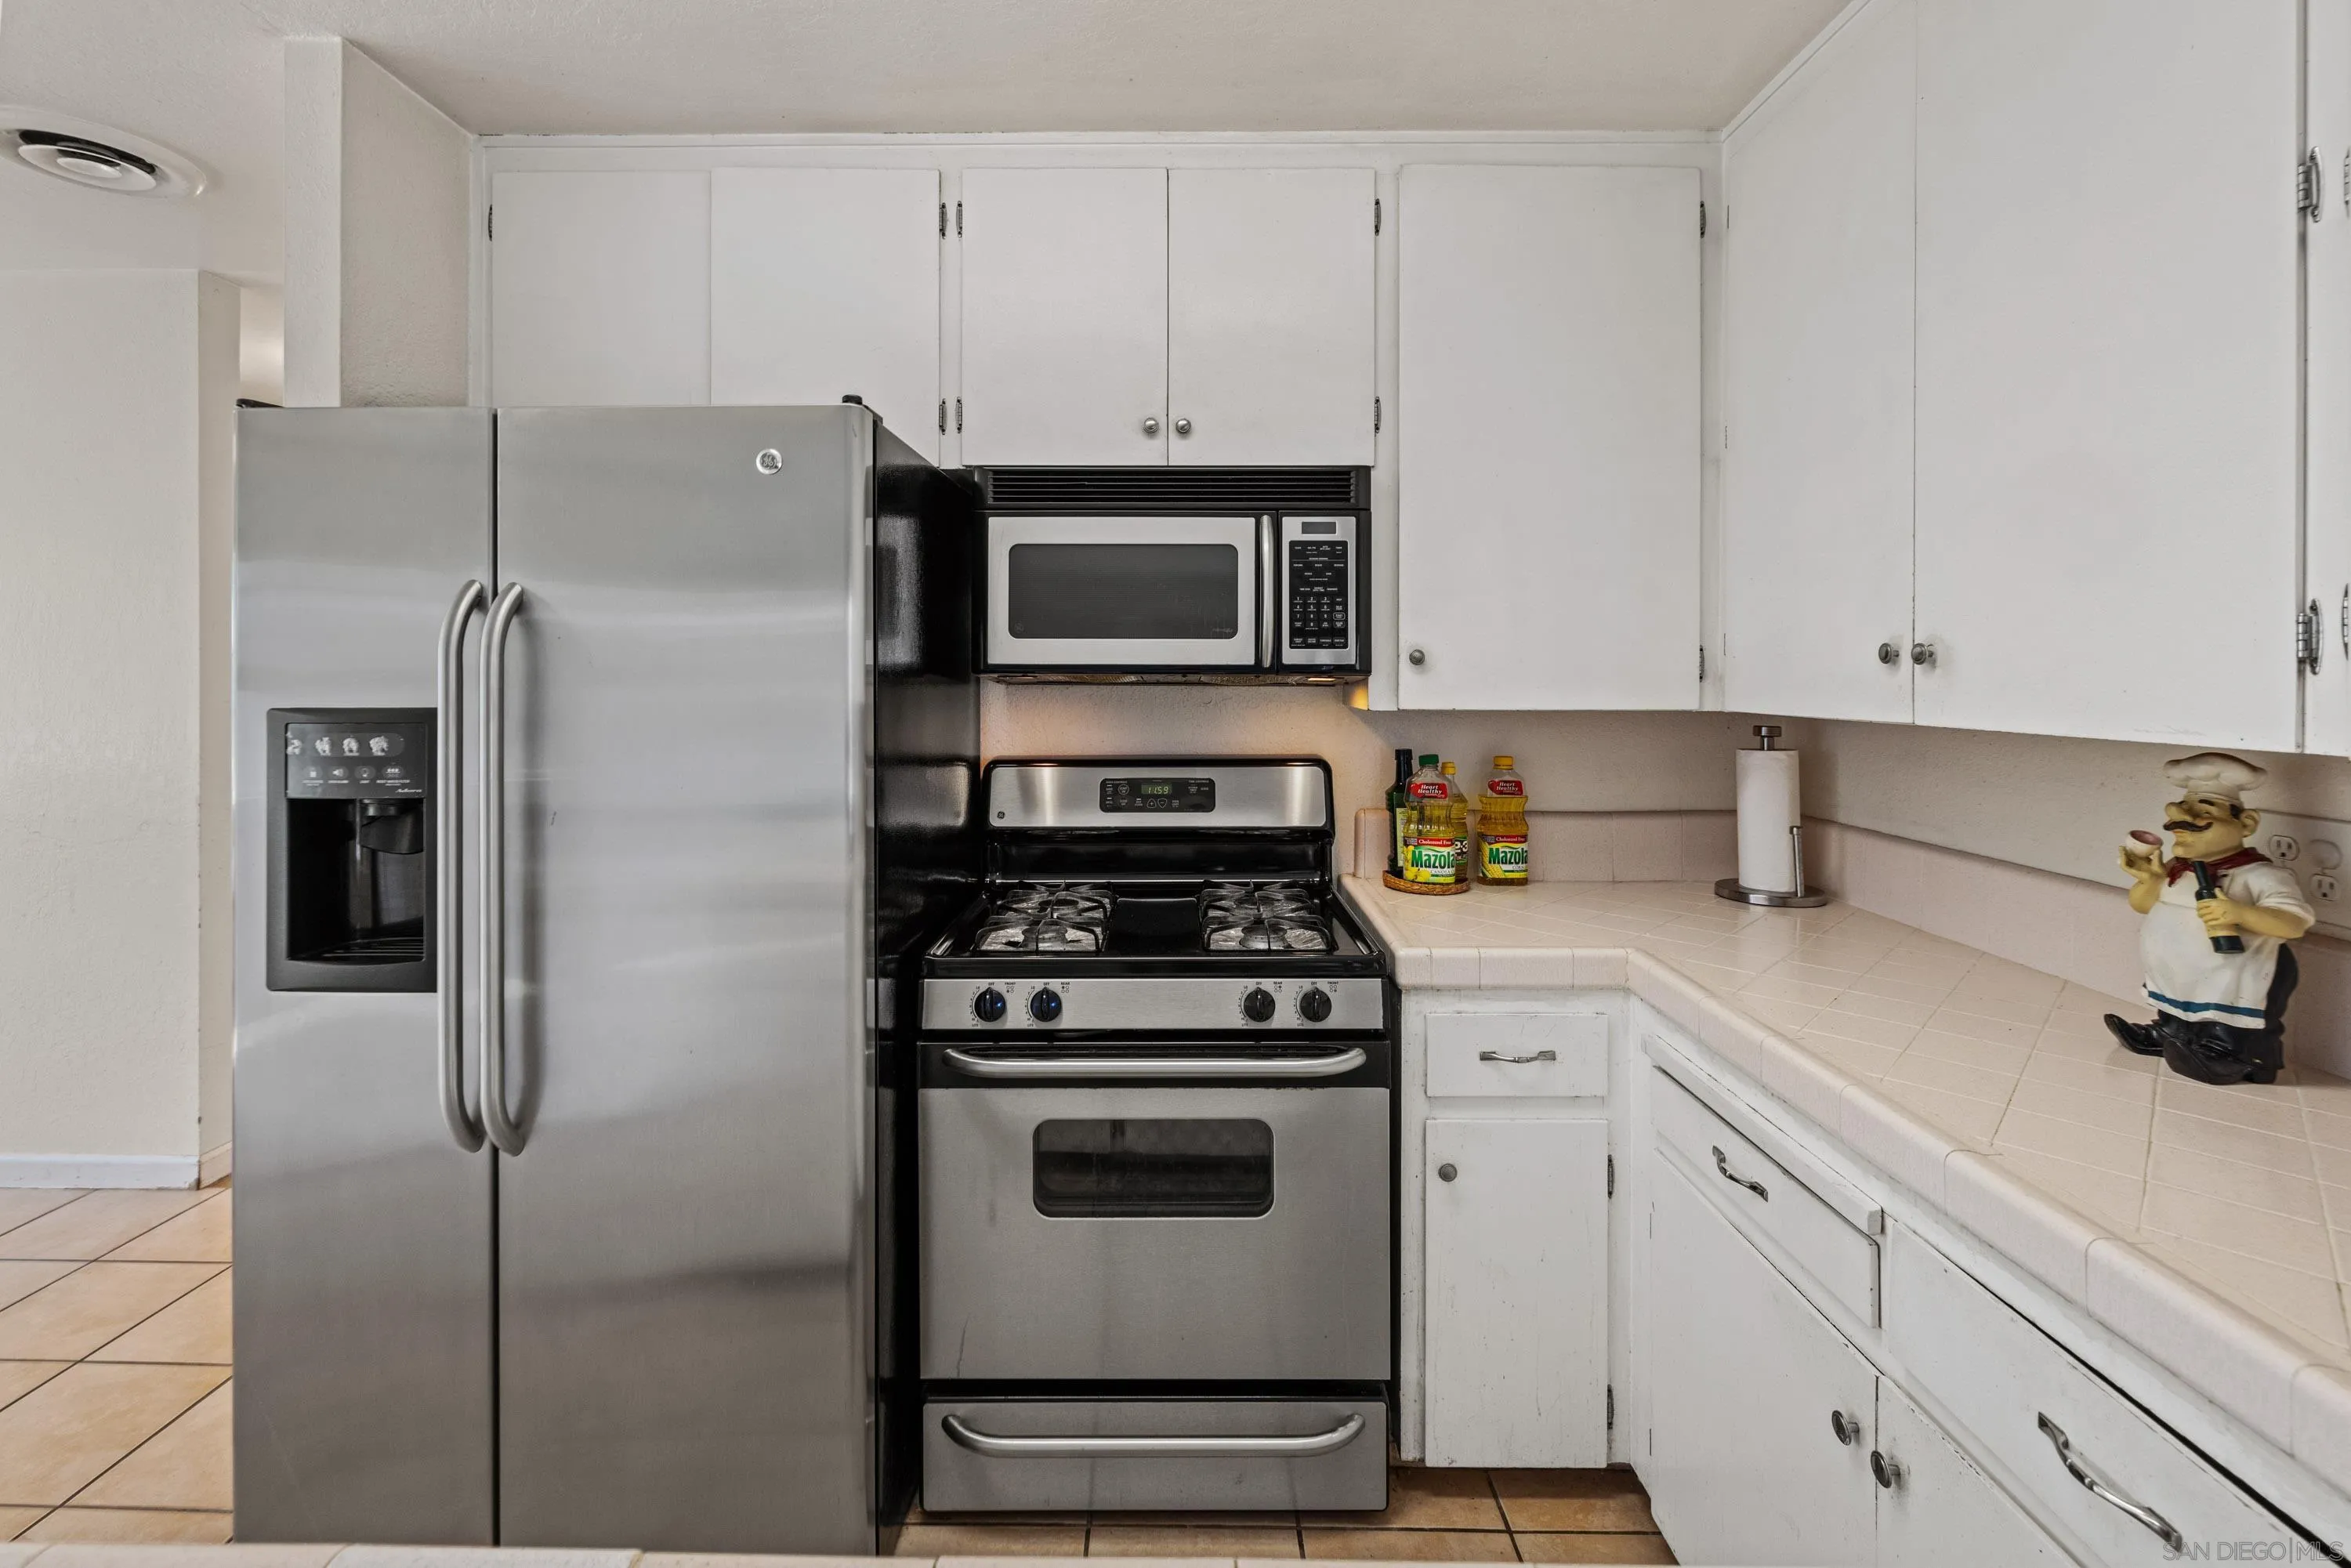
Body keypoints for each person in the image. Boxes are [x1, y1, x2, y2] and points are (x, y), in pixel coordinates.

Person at [2103, 752, 2313, 1085]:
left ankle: (2232, 1055)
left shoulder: (2260, 875)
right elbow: (2142, 905)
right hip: (2179, 973)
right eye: (2182, 815)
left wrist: (2240, 913)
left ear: (2246, 824)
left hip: (2235, 975)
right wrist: (2150, 881)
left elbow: (2295, 922)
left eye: (2204, 812)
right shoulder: (2176, 868)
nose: (2182, 826)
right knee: (2177, 1008)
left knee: (2227, 1020)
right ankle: (2169, 1034)